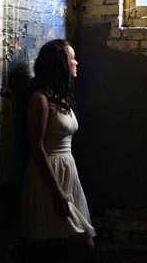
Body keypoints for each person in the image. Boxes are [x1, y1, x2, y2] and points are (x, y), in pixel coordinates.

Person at [19, 39, 96, 263]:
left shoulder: (60, 99)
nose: (76, 62)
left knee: (66, 246)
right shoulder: (40, 100)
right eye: (72, 58)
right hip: (48, 177)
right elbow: (37, 146)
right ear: (61, 64)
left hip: (67, 173)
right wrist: (56, 191)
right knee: (81, 244)